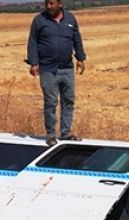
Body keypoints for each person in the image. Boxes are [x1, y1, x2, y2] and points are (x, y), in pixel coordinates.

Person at [26, 0, 86, 146]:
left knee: (68, 101)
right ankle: (51, 135)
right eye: (47, 3)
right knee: (51, 103)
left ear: (60, 4)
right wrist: (34, 63)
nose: (48, 6)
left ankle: (66, 133)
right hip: (48, 69)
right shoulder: (39, 20)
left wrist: (80, 58)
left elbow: (77, 39)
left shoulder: (71, 19)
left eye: (52, 3)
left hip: (67, 68)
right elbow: (32, 42)